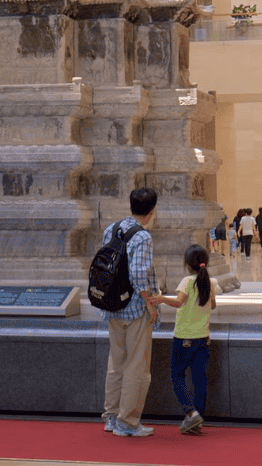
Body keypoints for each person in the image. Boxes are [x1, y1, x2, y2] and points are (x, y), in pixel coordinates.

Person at [101, 187, 159, 439]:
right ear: (152, 211)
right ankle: (128, 421)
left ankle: (112, 417)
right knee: (137, 367)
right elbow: (138, 275)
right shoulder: (143, 236)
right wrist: (149, 303)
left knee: (116, 363)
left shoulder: (112, 229)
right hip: (135, 308)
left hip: (112, 305)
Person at [151, 244, 218, 435]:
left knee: (177, 375)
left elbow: (179, 302)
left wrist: (161, 298)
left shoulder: (188, 281)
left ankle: (191, 412)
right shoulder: (209, 282)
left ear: (188, 263)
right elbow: (212, 305)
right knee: (199, 379)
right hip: (203, 338)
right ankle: (198, 418)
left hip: (184, 338)